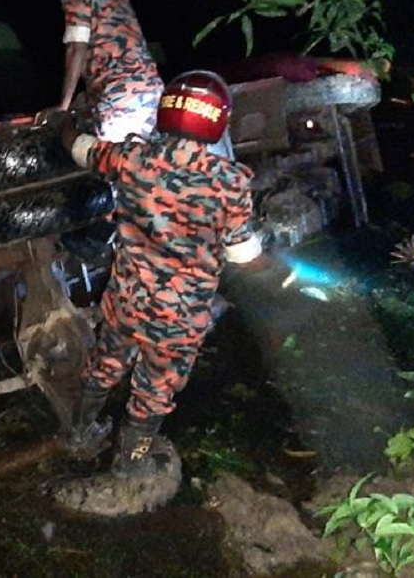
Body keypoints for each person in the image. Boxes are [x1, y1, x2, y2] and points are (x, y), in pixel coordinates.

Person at [57, 70, 266, 507]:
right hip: (179, 319)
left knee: (105, 362)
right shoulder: (229, 182)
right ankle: (130, 464)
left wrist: (62, 127)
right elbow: (246, 256)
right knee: (154, 389)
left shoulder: (132, 158)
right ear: (217, 120)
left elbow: (79, 149)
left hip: (127, 301)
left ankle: (79, 433)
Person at [37, 0, 163, 144]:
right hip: (151, 91)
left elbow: (76, 48)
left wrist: (63, 106)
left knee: (116, 168)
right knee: (149, 166)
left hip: (119, 98)